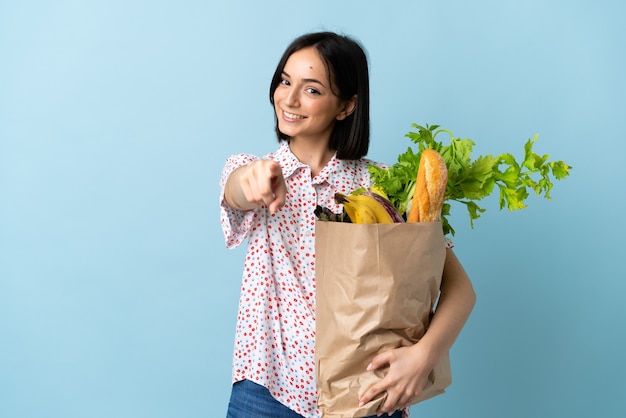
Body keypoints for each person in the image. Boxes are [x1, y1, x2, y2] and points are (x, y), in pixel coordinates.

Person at [219, 31, 476, 418]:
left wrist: (425, 355)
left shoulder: (383, 185)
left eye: (312, 90)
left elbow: (460, 289)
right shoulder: (255, 170)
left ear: (346, 106)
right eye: (285, 81)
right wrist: (252, 179)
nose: (289, 99)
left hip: (364, 398)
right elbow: (237, 190)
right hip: (266, 394)